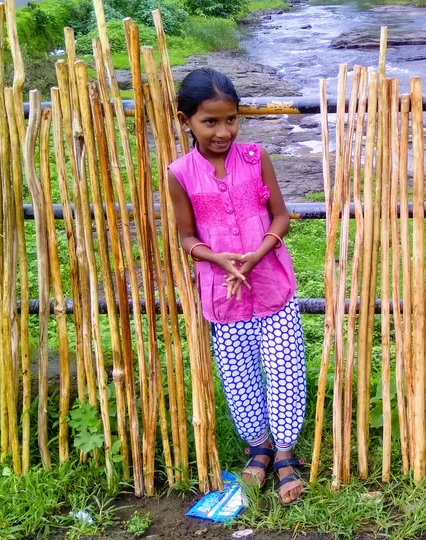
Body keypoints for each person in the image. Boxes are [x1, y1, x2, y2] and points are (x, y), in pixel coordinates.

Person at [168, 67, 306, 504]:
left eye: (231, 119)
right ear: (184, 119)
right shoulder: (179, 173)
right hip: (221, 293)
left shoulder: (255, 158)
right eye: (210, 121)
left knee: (285, 367)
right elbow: (185, 236)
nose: (223, 131)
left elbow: (281, 215)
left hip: (271, 283)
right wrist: (214, 257)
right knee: (238, 375)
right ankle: (259, 447)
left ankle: (285, 452)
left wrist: (260, 250)